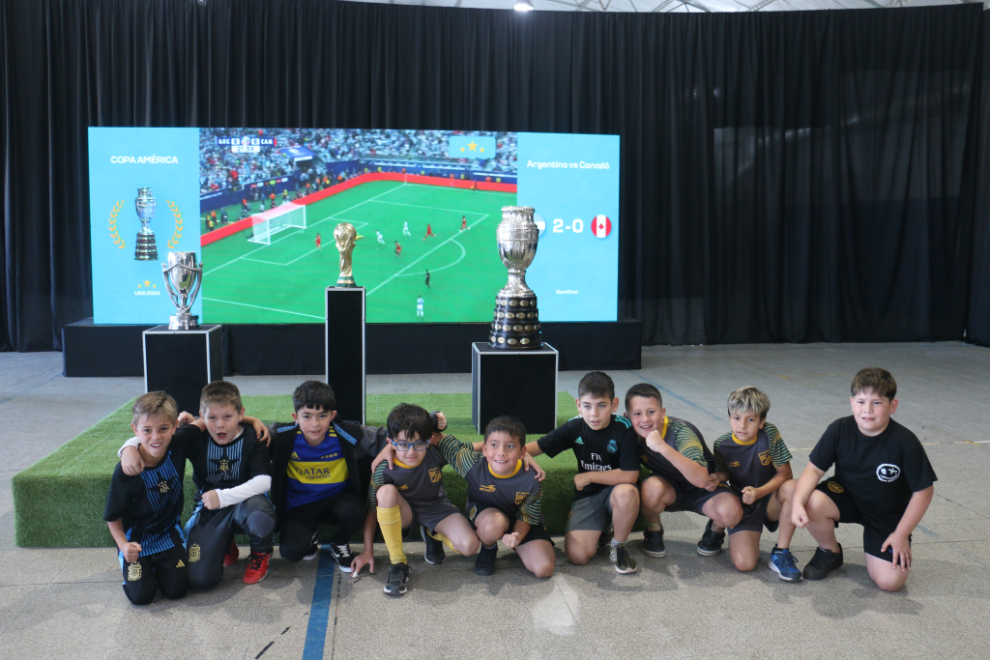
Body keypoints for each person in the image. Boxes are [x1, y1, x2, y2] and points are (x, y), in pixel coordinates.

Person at [782, 368, 936, 591]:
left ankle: (883, 543)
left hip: (886, 513)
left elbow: (924, 491)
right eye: (862, 401)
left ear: (892, 406)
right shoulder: (839, 429)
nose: (868, 410)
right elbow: (814, 470)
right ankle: (830, 551)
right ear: (852, 402)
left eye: (877, 403)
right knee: (809, 499)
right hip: (846, 496)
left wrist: (901, 534)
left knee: (889, 582)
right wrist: (797, 503)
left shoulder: (905, 442)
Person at [119, 382, 276, 590]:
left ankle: (261, 553)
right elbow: (159, 438)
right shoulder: (195, 438)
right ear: (202, 416)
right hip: (209, 508)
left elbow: (264, 481)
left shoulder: (252, 436)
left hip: (246, 504)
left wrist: (223, 496)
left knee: (260, 516)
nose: (220, 424)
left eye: (227, 417)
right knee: (199, 580)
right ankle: (223, 542)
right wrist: (129, 446)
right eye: (212, 418)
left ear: (240, 414)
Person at [524, 372, 642, 573]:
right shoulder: (574, 426)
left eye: (601, 406)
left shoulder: (624, 428)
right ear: (578, 405)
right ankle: (603, 528)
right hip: (589, 496)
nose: (593, 414)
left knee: (626, 492)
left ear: (614, 404)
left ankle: (618, 545)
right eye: (587, 406)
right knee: (578, 556)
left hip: (616, 491)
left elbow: (630, 475)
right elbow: (536, 446)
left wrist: (588, 475)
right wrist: (523, 454)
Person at [268, 381, 388, 574]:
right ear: (295, 417)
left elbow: (391, 434)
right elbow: (246, 435)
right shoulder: (280, 435)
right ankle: (310, 534)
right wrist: (251, 421)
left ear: (332, 416)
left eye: (322, 416)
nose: (315, 424)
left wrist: (433, 421)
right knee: (292, 553)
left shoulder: (348, 433)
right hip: (298, 505)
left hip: (336, 501)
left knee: (357, 510)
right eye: (307, 416)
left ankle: (339, 542)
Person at [363, 404, 480, 597]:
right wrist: (368, 550)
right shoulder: (383, 469)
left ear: (429, 440)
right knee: (385, 493)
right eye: (402, 444)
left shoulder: (435, 449)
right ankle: (398, 563)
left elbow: (468, 448)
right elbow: (372, 510)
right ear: (391, 443)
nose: (411, 452)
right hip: (404, 512)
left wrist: (516, 452)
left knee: (470, 546)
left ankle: (433, 534)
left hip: (436, 508)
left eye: (419, 444)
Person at [624, 383, 741, 559]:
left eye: (651, 412)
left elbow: (701, 479)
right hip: (670, 487)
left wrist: (662, 447)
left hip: (706, 487)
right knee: (649, 488)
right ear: (627, 417)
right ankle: (653, 528)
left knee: (731, 513)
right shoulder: (630, 434)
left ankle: (716, 529)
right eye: (637, 414)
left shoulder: (682, 432)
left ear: (662, 412)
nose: (645, 419)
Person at [104, 392, 189, 605]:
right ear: (135, 430)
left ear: (174, 426)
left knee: (177, 590)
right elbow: (112, 517)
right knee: (141, 597)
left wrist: (251, 420)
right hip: (136, 541)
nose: (155, 437)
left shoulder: (178, 445)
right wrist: (124, 545)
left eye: (163, 429)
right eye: (147, 430)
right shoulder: (125, 471)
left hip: (169, 534)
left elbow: (212, 420)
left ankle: (162, 566)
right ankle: (132, 564)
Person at [442, 417, 554, 577]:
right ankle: (489, 548)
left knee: (544, 569)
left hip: (520, 520)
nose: (501, 453)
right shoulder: (471, 464)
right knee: (493, 525)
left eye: (510, 446)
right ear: (484, 449)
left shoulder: (532, 478)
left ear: (523, 452)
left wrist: (517, 536)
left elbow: (527, 516)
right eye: (494, 445)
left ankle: (516, 542)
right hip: (487, 516)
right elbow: (445, 443)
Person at [707, 387, 793, 574]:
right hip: (744, 503)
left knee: (793, 488)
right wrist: (716, 477)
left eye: (751, 419)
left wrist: (759, 492)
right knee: (745, 565)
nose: (742, 425)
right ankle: (718, 524)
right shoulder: (721, 444)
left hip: (770, 498)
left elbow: (785, 474)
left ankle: (782, 551)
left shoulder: (769, 433)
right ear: (729, 417)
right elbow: (725, 474)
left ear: (762, 421)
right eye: (736, 418)